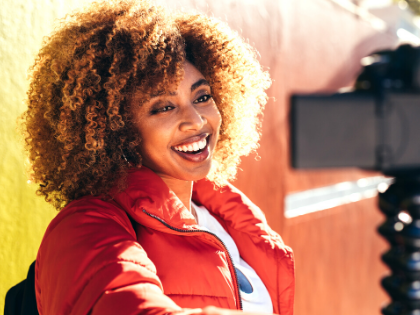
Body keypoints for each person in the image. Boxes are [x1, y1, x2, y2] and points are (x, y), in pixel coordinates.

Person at [20, 0, 294, 314]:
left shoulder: (227, 216)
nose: (196, 120)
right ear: (117, 128)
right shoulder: (86, 227)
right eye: (163, 107)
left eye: (202, 96)